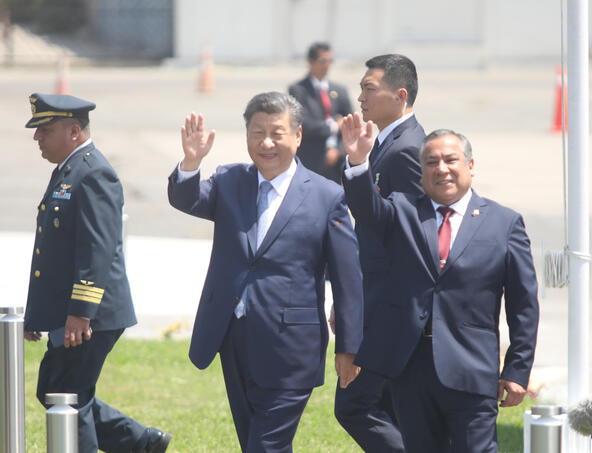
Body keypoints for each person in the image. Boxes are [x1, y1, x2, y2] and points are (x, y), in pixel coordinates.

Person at [167, 92, 363, 453]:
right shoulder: (230, 180)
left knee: (265, 446)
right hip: (234, 335)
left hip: (291, 344)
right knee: (254, 440)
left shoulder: (326, 196)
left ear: (298, 136)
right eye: (257, 133)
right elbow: (187, 199)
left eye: (277, 133)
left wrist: (349, 346)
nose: (267, 143)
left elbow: (348, 278)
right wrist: (191, 162)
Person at [341, 122, 540, 453]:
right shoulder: (403, 210)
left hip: (471, 368)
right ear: (421, 172)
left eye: (451, 160)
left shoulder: (503, 223)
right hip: (410, 368)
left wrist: (518, 369)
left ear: (471, 166)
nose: (442, 169)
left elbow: (523, 305)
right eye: (431, 162)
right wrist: (359, 162)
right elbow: (366, 209)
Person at [23, 93, 171, 453]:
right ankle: (142, 442)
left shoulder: (93, 173)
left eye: (45, 129)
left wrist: (79, 314)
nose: (36, 138)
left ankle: (140, 442)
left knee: (68, 399)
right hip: (72, 312)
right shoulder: (70, 169)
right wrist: (38, 315)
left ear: (74, 131)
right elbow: (54, 255)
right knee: (57, 391)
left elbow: (97, 250)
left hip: (92, 314)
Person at [333, 54, 425, 453]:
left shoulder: (407, 151)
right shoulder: (389, 142)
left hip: (392, 307)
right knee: (388, 406)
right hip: (379, 302)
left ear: (400, 95)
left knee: (354, 405)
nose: (361, 98)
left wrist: (356, 165)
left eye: (370, 89)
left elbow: (392, 230)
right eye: (361, 89)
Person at [288, 42, 352, 183]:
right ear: (310, 62)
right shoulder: (298, 90)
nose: (327, 65)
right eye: (323, 61)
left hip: (337, 162)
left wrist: (339, 150)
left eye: (330, 61)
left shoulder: (339, 91)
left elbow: (350, 125)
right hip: (310, 158)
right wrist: (333, 126)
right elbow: (301, 123)